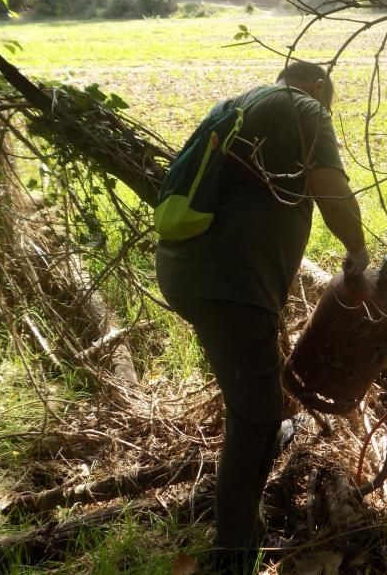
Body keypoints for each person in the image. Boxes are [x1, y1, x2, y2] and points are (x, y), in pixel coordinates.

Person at [155, 62, 368, 568]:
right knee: (258, 417)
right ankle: (234, 552)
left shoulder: (237, 104)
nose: (327, 114)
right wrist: (359, 254)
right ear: (317, 87)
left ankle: (244, 505)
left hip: (190, 273)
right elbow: (332, 193)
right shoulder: (304, 107)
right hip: (229, 284)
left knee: (250, 394)